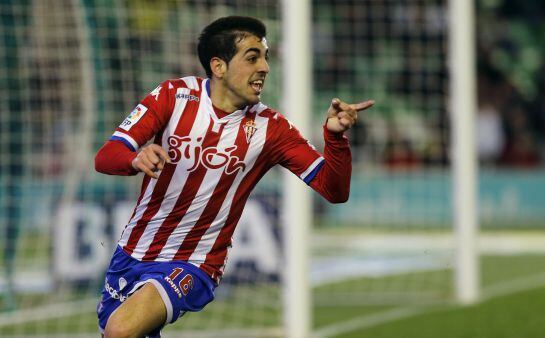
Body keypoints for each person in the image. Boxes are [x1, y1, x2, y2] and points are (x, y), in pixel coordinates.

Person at [94, 16, 374, 338]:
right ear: (219, 66)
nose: (265, 68)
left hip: (195, 261)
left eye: (266, 57)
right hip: (131, 252)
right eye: (252, 57)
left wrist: (334, 139)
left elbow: (333, 189)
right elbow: (106, 156)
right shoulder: (173, 96)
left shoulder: (272, 129)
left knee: (121, 330)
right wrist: (134, 158)